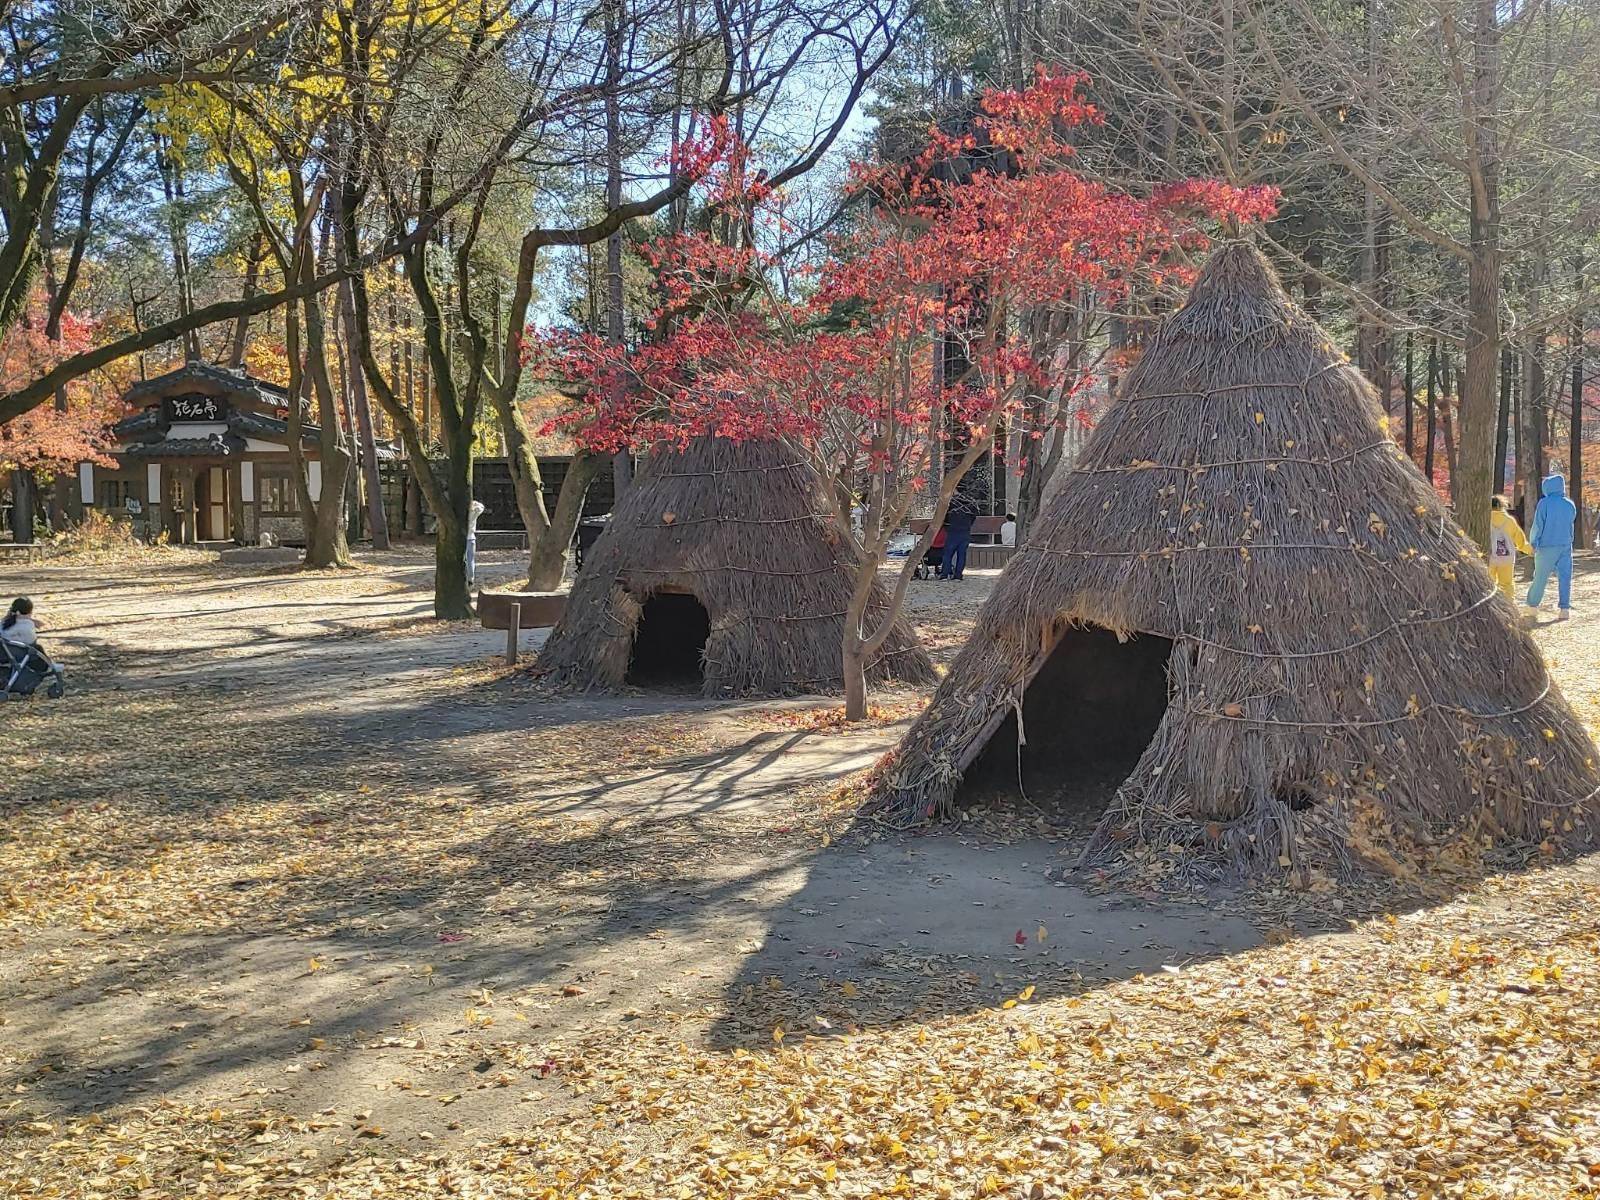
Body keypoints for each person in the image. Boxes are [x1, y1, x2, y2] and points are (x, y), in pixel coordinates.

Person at [1525, 472, 1577, 621]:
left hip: (1546, 546)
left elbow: (1538, 525)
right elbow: (1570, 524)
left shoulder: (1544, 503)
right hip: (1565, 545)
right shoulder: (1569, 504)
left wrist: (1533, 542)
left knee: (1540, 577)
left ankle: (1532, 606)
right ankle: (1564, 609)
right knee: (1565, 577)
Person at [2, 596, 63, 680]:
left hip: (5, 653)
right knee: (38, 647)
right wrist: (32, 623)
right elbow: (32, 641)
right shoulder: (26, 626)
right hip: (20, 655)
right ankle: (51, 666)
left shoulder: (5, 622)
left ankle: (51, 665)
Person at [1488, 495, 1531, 601]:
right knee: (1507, 584)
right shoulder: (1509, 520)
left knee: (1488, 583)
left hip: (1489, 557)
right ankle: (1509, 603)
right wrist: (1530, 550)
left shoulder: (1484, 519)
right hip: (1506, 558)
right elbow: (1520, 541)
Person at [939, 492, 978, 581]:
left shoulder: (951, 503)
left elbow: (944, 517)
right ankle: (958, 575)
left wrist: (946, 526)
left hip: (952, 531)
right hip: (965, 532)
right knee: (961, 555)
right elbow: (973, 517)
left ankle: (945, 574)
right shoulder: (970, 503)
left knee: (947, 554)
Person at [465, 498, 486, 588]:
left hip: (462, 538)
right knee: (470, 560)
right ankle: (471, 579)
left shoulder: (460, 512)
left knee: (464, 560)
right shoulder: (474, 511)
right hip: (471, 537)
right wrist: (474, 503)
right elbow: (481, 507)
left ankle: (465, 578)